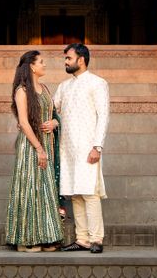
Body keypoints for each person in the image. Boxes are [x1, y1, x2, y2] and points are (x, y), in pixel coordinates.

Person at [4, 50, 63, 252]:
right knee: (29, 188)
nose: (44, 65)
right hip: (31, 145)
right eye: (41, 62)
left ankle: (46, 236)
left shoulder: (45, 88)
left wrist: (55, 122)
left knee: (45, 189)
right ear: (31, 66)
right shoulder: (21, 90)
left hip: (47, 143)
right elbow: (23, 122)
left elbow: (55, 114)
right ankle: (26, 239)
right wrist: (38, 148)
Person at [53, 43, 110, 254]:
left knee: (89, 193)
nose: (66, 62)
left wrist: (97, 146)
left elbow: (103, 115)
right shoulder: (64, 86)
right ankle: (82, 239)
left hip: (88, 147)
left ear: (81, 59)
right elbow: (53, 110)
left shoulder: (97, 83)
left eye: (68, 58)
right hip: (67, 148)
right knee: (75, 194)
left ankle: (96, 239)